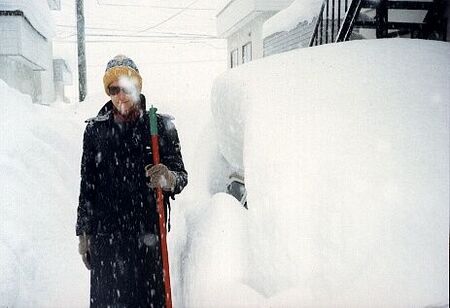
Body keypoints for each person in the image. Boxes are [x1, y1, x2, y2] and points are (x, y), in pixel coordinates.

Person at [76, 55, 188, 307]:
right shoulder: (95, 131)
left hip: (146, 236)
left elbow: (181, 176)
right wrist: (84, 232)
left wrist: (168, 178)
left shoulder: (159, 126)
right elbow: (87, 187)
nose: (120, 96)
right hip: (107, 237)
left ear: (136, 86)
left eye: (125, 88)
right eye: (113, 89)